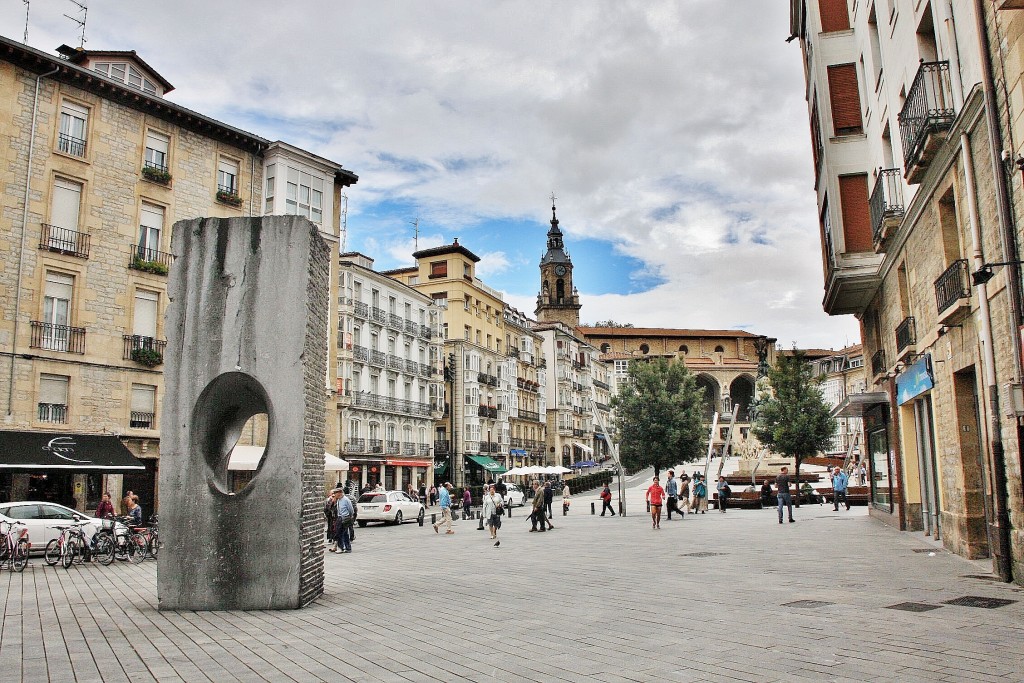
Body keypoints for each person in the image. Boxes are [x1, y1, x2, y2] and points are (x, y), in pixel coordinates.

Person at [336, 489, 355, 553]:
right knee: (342, 533)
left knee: (342, 533)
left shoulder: (346, 500)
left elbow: (351, 510)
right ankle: (345, 547)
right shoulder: (338, 500)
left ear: (340, 493)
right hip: (339, 517)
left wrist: (349, 516)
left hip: (345, 517)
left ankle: (344, 547)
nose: (335, 495)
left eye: (336, 493)